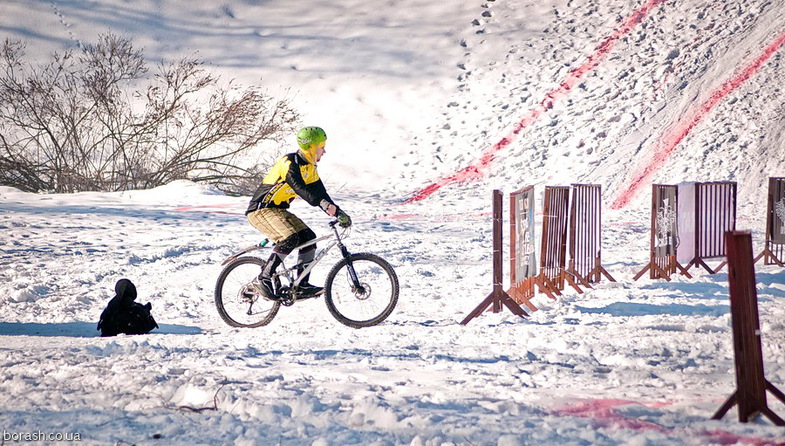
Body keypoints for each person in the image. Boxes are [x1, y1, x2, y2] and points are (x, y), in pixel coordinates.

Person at [245, 126, 351, 299]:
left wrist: (338, 212)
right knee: (289, 238)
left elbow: (320, 193)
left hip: (278, 210)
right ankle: (262, 278)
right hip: (260, 210)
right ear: (311, 148)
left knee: (309, 237)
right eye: (321, 147)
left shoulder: (310, 168)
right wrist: (324, 204)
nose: (324, 151)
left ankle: (301, 286)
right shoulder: (289, 162)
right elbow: (300, 188)